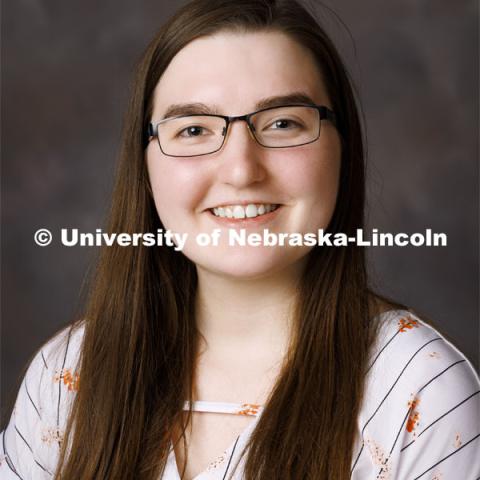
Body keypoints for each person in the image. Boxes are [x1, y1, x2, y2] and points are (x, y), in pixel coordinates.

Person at [1, 0, 479, 479]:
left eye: (282, 123)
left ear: (343, 148)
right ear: (144, 165)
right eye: (193, 129)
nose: (241, 170)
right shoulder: (67, 377)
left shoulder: (419, 393)